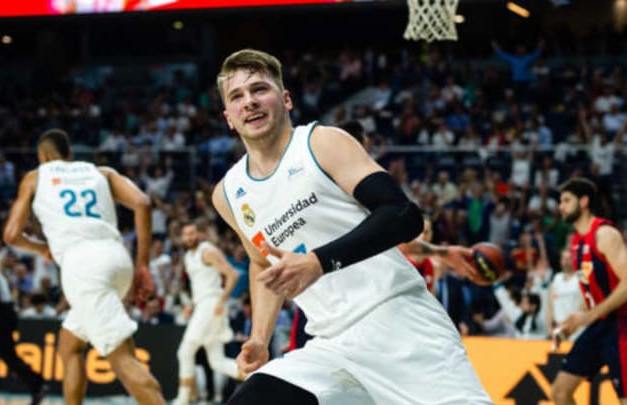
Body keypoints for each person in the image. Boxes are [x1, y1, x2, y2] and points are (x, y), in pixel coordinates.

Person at [211, 49, 490, 405]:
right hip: (329, 347)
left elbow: (403, 215)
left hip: (399, 322)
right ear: (229, 118)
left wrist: (319, 262)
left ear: (285, 99)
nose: (249, 102)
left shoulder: (321, 143)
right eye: (237, 96)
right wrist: (259, 338)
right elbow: (264, 265)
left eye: (259, 89)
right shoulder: (228, 194)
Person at [2, 129, 164, 405]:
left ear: (42, 156)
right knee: (69, 345)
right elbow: (142, 203)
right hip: (117, 257)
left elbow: (11, 234)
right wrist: (143, 265)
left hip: (83, 266)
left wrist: (42, 249)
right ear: (69, 154)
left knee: (123, 360)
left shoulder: (35, 177)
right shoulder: (100, 172)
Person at [552, 177, 627, 405]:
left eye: (566, 200)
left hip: (621, 325)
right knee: (560, 391)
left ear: (583, 201)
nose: (560, 206)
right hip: (599, 325)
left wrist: (590, 316)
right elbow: (592, 292)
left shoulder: (604, 233)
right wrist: (574, 320)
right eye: (560, 201)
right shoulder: (576, 241)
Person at [173, 219, 242, 405]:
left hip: (212, 304)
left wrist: (221, 300)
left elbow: (232, 274)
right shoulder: (188, 257)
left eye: (192, 233)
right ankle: (255, 375)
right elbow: (198, 288)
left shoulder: (208, 251)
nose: (189, 237)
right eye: (186, 234)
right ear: (182, 237)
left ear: (200, 234)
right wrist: (190, 306)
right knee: (216, 361)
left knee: (185, 351)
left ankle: (183, 400)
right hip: (202, 305)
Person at [0, 260, 48, 404]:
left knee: (3, 355)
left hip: (1, 316)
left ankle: (37, 384)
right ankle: (36, 384)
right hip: (2, 314)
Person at [545, 248, 585, 342]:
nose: (566, 262)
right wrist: (549, 327)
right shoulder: (556, 278)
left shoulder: (581, 276)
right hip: (558, 328)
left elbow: (585, 304)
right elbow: (550, 304)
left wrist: (571, 325)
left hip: (575, 329)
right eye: (564, 259)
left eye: (569, 258)